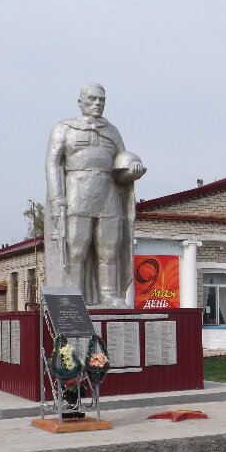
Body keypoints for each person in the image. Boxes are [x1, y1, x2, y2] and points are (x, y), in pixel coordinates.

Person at [44, 83, 145, 307]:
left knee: (110, 248)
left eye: (102, 100)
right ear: (80, 102)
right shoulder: (64, 128)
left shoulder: (112, 131)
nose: (98, 103)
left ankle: (109, 295)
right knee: (77, 248)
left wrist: (132, 171)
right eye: (92, 99)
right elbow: (52, 164)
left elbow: (121, 169)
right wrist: (57, 198)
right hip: (77, 193)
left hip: (107, 195)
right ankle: (74, 294)